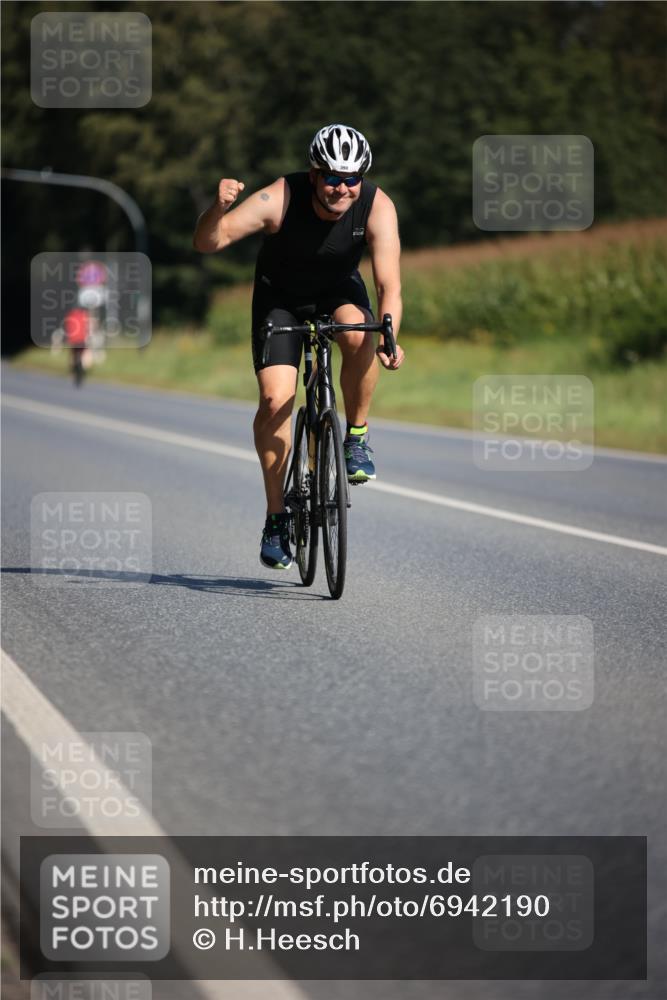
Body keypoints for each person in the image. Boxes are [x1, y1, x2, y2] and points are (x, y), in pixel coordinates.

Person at [193, 124, 404, 569]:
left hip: (338, 292)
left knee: (359, 329)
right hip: (280, 300)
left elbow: (389, 284)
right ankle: (276, 518)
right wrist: (219, 207)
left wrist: (389, 334)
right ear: (313, 174)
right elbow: (209, 241)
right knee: (275, 400)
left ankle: (357, 438)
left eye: (351, 178)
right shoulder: (279, 199)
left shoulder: (376, 205)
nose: (342, 188)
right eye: (332, 176)